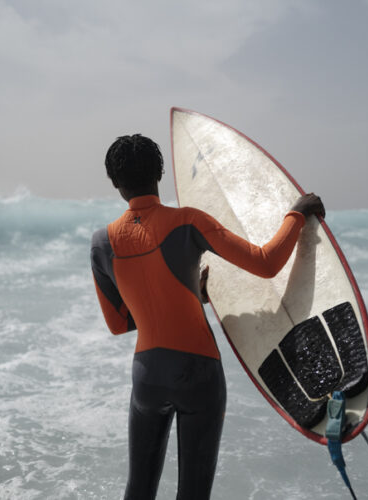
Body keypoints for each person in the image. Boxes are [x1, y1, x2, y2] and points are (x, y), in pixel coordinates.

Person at [90, 134, 325, 499]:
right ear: (160, 174)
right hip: (198, 375)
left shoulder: (102, 242)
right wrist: (298, 212)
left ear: (115, 184)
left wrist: (188, 298)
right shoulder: (187, 221)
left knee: (138, 489)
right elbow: (265, 264)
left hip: (147, 379)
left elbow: (119, 323)